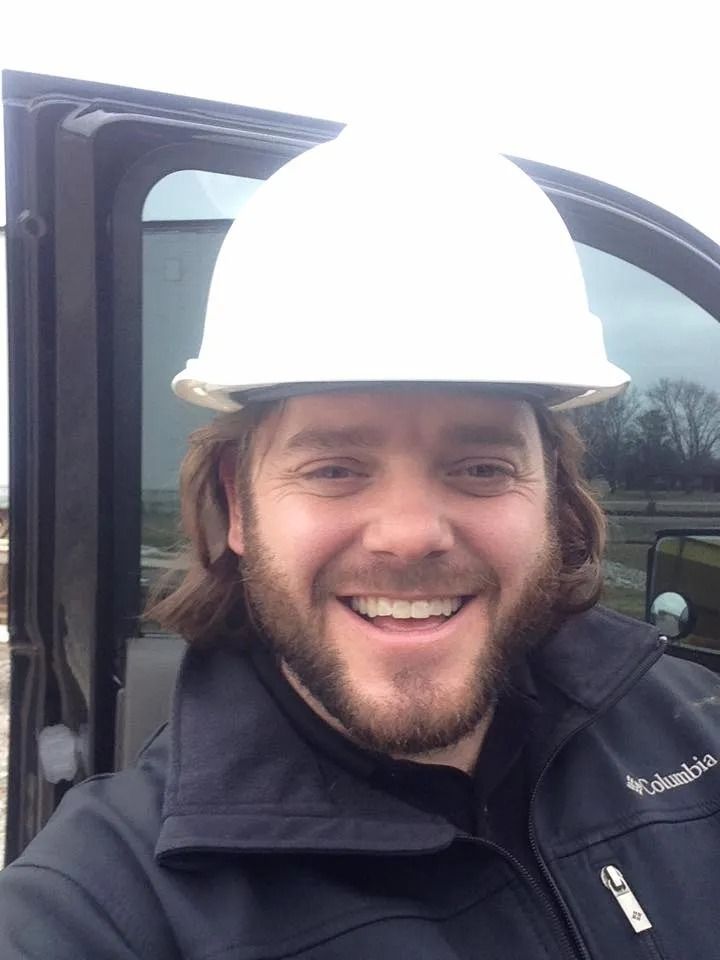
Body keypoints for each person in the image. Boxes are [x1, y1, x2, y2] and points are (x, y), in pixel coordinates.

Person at [1, 125, 720, 960]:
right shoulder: (105, 904)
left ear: (553, 496)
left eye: (481, 468)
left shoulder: (697, 732)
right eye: (335, 469)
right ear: (237, 504)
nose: (410, 536)